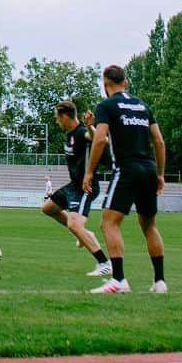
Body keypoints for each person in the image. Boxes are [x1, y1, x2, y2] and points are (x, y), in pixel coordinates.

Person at [84, 64, 167, 295]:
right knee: (149, 225)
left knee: (108, 223)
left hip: (127, 169)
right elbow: (159, 142)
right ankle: (159, 282)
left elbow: (99, 140)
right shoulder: (143, 106)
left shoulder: (107, 106)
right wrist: (160, 174)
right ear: (126, 82)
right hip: (149, 168)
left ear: (105, 83)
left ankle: (119, 279)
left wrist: (90, 172)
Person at [41, 101, 111, 277]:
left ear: (65, 116)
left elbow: (100, 140)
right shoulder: (69, 134)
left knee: (74, 224)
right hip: (73, 185)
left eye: (57, 117)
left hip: (85, 187)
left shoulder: (81, 132)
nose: (57, 121)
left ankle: (104, 262)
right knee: (48, 208)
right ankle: (84, 234)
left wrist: (90, 127)